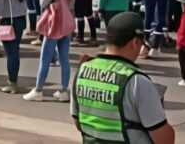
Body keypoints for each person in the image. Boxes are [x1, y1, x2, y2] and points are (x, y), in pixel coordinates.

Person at [71, 12, 175, 144]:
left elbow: (79, 123)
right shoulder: (136, 81)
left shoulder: (82, 71)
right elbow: (165, 140)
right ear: (135, 42)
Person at [24, 0, 75, 102]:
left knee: (45, 58)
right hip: (67, 23)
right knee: (64, 59)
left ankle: (38, 89)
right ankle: (64, 90)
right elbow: (71, 4)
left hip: (55, 24)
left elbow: (43, 2)